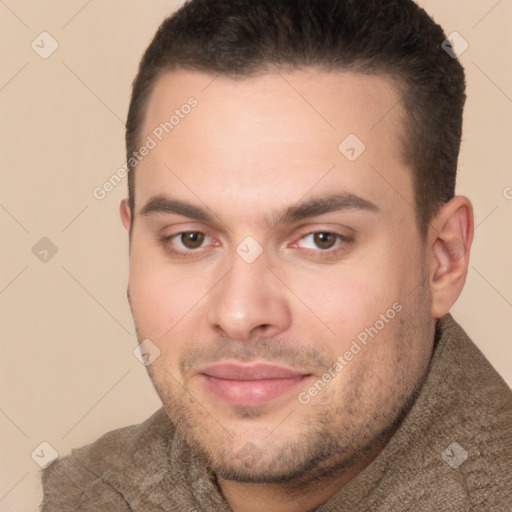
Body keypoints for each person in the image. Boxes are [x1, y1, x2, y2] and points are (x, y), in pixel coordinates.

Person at [40, 0, 512, 510]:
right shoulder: (88, 493)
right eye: (191, 238)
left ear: (443, 259)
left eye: (321, 239)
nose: (240, 314)